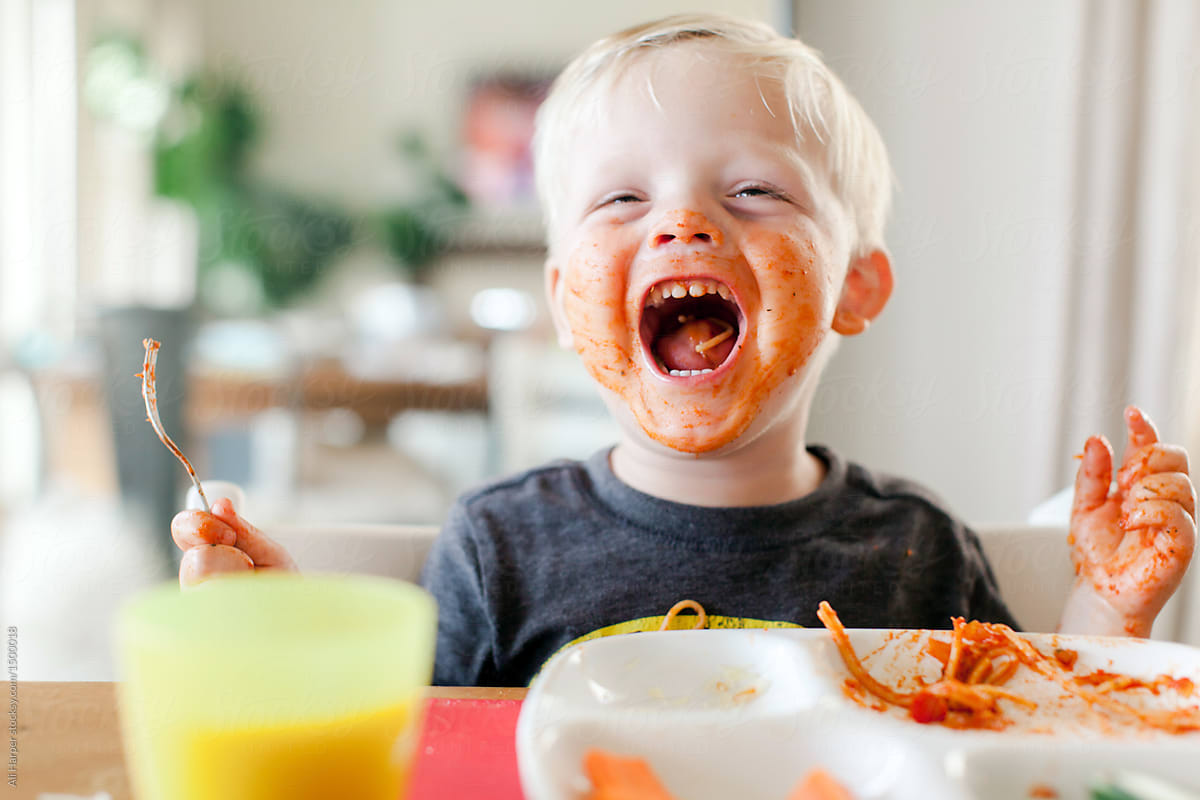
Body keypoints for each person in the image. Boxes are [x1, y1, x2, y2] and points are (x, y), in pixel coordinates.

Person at [170, 15, 1196, 688]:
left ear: (855, 286)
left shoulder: (919, 554)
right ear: (567, 297)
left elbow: (1034, 746)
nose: (682, 222)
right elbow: (414, 769)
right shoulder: (497, 551)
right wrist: (273, 657)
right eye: (622, 197)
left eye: (753, 189)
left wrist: (1105, 611)